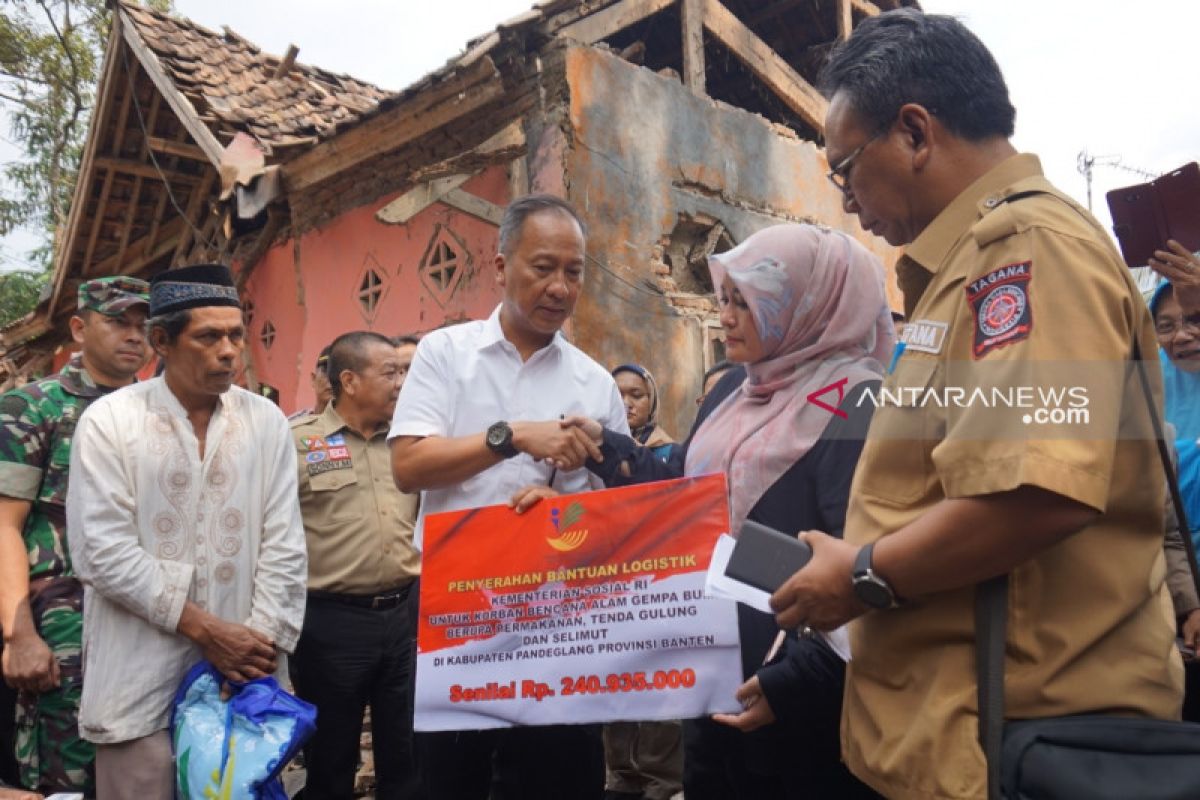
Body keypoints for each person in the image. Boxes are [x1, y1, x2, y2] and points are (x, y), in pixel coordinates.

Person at [768, 10, 1183, 799]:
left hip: (1016, 744)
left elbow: (1037, 493)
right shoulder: (960, 273)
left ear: (915, 133)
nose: (848, 200)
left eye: (845, 168)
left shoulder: (1027, 253)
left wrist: (857, 575)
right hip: (954, 736)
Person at [576, 223, 892, 799]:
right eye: (725, 299)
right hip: (713, 664)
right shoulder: (733, 392)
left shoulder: (859, 399)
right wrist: (601, 447)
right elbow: (686, 493)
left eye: (746, 302)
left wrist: (794, 680)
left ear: (806, 305)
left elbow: (866, 559)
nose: (725, 316)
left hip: (797, 689)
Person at [389, 194, 628, 800]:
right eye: (542, 267)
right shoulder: (446, 355)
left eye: (574, 272)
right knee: (448, 780)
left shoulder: (594, 383)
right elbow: (409, 465)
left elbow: (613, 513)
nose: (559, 287)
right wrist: (511, 436)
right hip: (456, 606)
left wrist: (562, 514)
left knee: (560, 778)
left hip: (558, 613)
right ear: (500, 267)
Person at [66, 264, 308, 799]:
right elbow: (100, 552)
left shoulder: (265, 420)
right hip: (139, 674)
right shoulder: (111, 421)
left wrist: (254, 650)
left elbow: (285, 543)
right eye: (208, 336)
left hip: (243, 682)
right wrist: (207, 631)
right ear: (162, 341)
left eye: (236, 335)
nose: (228, 350)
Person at [0, 277, 150, 795]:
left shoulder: (161, 411)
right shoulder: (32, 409)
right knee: (69, 768)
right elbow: (4, 527)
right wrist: (19, 635)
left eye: (142, 325)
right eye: (117, 322)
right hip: (65, 620)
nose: (134, 336)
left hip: (149, 612)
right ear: (80, 329)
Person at [289, 331, 422, 799]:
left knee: (406, 756)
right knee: (331, 760)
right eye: (390, 372)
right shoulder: (298, 444)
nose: (401, 382)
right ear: (349, 380)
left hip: (402, 618)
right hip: (330, 623)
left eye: (404, 372)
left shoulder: (410, 445)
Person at [612, 364, 675, 462]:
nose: (626, 404)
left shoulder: (670, 453)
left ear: (651, 401)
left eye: (636, 395)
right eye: (617, 396)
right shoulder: (597, 448)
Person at [291, 345, 333, 420]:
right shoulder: (291, 425)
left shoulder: (356, 428)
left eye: (337, 373)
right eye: (325, 372)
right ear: (313, 379)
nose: (331, 379)